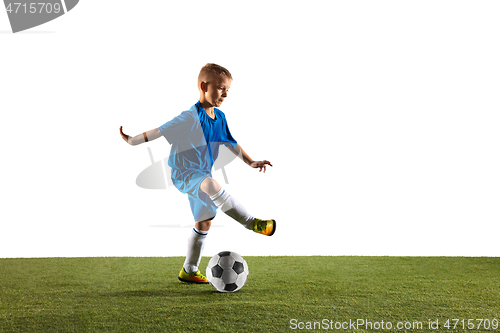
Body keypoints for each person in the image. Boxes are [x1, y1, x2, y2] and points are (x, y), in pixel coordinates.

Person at [119, 63, 276, 284]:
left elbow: (230, 142)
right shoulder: (190, 117)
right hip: (184, 174)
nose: (225, 94)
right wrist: (132, 140)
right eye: (221, 88)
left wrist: (251, 162)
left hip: (201, 173)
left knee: (204, 223)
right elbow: (160, 130)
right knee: (211, 184)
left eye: (228, 90)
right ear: (204, 86)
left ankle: (189, 269)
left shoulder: (219, 117)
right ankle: (252, 223)